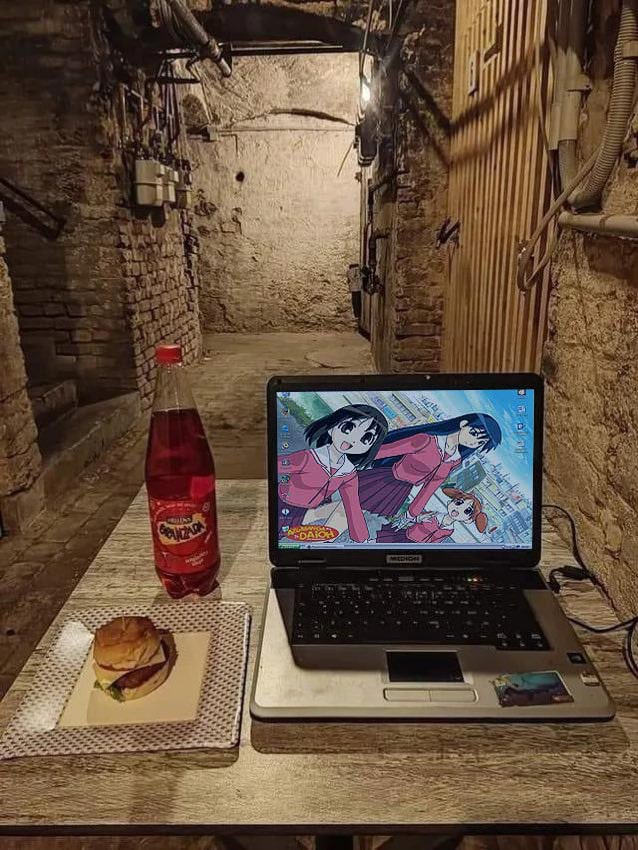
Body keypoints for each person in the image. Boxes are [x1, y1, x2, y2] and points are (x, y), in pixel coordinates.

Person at [358, 413, 502, 520]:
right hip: (383, 478)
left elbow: (430, 488)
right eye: (473, 433)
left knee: (361, 516)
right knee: (350, 509)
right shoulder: (427, 440)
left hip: (398, 493)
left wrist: (412, 514)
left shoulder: (454, 460)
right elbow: (386, 451)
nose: (473, 441)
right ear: (463, 424)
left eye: (479, 442)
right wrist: (354, 459)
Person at [278, 404, 388, 543]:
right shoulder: (308, 458)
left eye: (366, 438)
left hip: (303, 514)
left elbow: (353, 507)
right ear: (331, 428)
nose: (353, 439)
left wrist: (363, 541)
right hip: (282, 505)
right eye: (348, 428)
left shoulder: (348, 473)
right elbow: (276, 464)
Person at [376, 486, 489, 545]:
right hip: (404, 537)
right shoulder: (434, 515)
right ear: (450, 502)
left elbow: (436, 543)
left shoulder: (449, 530)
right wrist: (419, 518)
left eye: (467, 511)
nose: (458, 509)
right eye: (458, 502)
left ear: (468, 520)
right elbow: (410, 519)